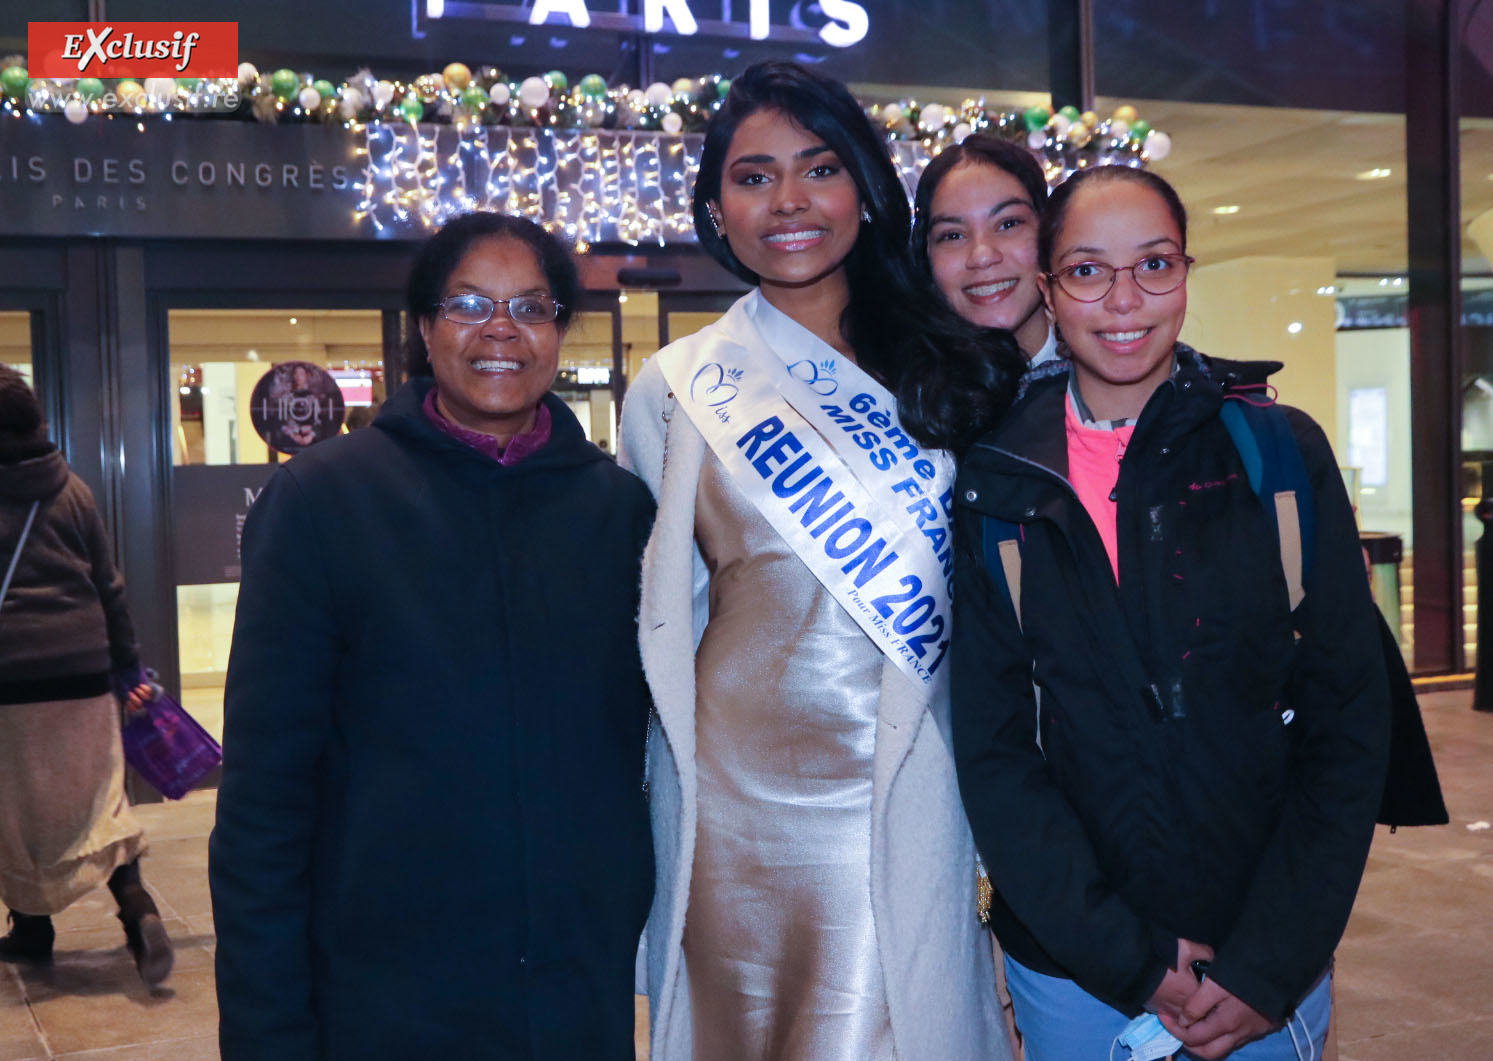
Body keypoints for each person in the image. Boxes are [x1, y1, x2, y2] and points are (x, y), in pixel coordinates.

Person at [619, 60, 1024, 1060]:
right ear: (715, 208)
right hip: (730, 805)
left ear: (864, 191)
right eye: (753, 177)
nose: (788, 201)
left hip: (908, 782)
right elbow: (669, 606)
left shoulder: (955, 363)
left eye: (818, 168)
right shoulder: (672, 387)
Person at [950, 166, 1391, 1060]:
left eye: (1153, 264)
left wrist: (1268, 961)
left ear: (1186, 272)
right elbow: (996, 753)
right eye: (1086, 271)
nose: (1123, 300)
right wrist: (1131, 958)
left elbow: (1348, 716)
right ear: (1046, 288)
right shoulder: (998, 479)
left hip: (1263, 961)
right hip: (1079, 968)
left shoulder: (1273, 450)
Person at [210, 212, 656, 1059]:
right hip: (389, 993)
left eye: (531, 306)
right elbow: (265, 803)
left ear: (560, 329)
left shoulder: (618, 511)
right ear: (423, 327)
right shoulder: (321, 503)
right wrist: (267, 1031)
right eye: (468, 304)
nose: (501, 330)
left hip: (574, 992)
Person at [0, 364, 173, 987]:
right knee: (98, 796)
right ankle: (135, 905)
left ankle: (33, 929)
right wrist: (126, 666)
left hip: (9, 676)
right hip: (81, 670)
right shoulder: (72, 489)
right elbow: (109, 586)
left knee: (14, 807)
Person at [914, 134, 1057, 364]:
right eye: (953, 235)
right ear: (926, 255)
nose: (982, 256)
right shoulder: (894, 391)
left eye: (1008, 224)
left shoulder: (1107, 374)